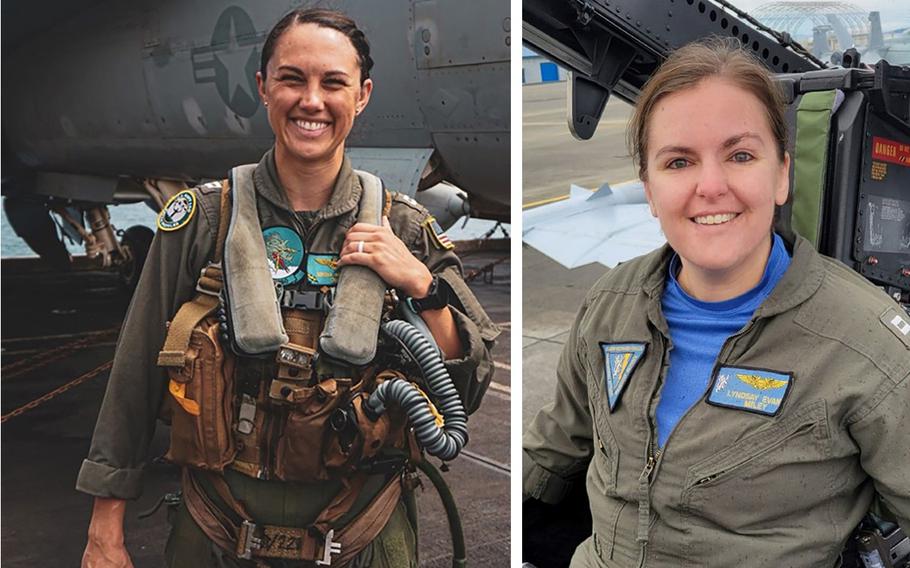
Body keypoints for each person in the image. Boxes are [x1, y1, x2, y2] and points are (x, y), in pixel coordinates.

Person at [79, 9, 498, 567]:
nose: (312, 101)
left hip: (364, 530)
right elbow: (134, 373)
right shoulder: (204, 219)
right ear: (264, 87)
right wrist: (104, 527)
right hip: (218, 526)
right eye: (292, 79)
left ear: (363, 95)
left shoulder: (404, 228)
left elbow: (463, 394)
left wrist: (423, 287)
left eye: (333, 83)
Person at [523, 38, 909, 567]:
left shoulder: (867, 347)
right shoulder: (610, 305)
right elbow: (555, 451)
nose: (710, 186)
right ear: (651, 192)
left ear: (781, 175)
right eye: (679, 162)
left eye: (741, 155)